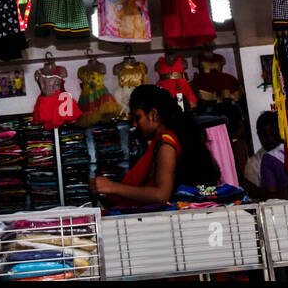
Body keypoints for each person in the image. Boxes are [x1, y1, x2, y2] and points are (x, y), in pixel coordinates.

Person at [91, 85, 220, 206]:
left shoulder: (166, 143)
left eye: (138, 117)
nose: (135, 124)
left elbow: (161, 195)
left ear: (153, 115)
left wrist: (112, 187)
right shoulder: (178, 136)